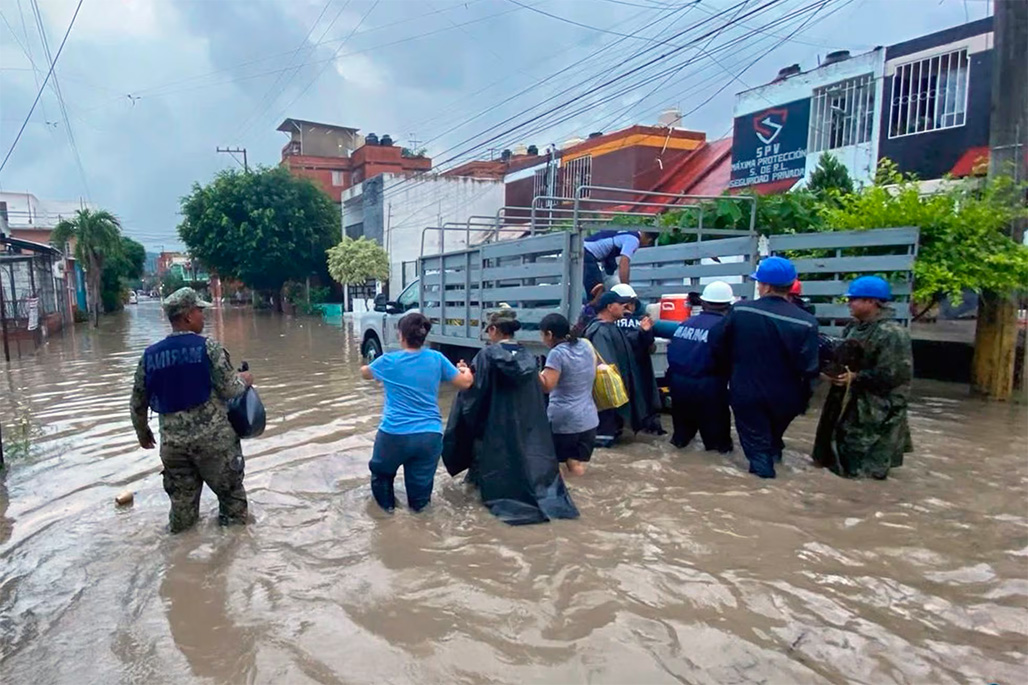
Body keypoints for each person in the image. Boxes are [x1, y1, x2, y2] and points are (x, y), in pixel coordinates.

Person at [129, 287, 254, 533]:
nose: (202, 316)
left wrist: (142, 433)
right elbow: (230, 390)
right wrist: (246, 379)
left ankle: (182, 554)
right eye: (199, 311)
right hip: (214, 444)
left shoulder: (150, 356)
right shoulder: (208, 348)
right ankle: (233, 552)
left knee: (182, 515)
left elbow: (137, 402)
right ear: (187, 316)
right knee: (233, 506)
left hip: (174, 448)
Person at [442, 309, 579, 525]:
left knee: (479, 478)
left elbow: (474, 395)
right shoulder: (528, 356)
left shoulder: (486, 356)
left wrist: (464, 373)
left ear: (493, 329)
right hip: (522, 427)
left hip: (493, 428)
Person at [714, 257, 819, 478]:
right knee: (773, 439)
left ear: (767, 286)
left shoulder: (741, 311)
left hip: (748, 393)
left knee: (758, 451)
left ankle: (764, 487)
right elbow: (809, 367)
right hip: (788, 399)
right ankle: (777, 466)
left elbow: (717, 343)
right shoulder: (807, 321)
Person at [360, 312, 474, 513]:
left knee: (382, 476)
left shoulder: (388, 361)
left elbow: (365, 373)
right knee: (421, 500)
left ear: (401, 335)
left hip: (393, 434)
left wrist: (377, 372)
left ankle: (386, 519)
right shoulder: (437, 359)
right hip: (429, 436)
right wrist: (465, 370)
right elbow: (465, 383)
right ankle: (421, 525)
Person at [812, 276, 913, 480]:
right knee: (838, 457)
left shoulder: (892, 333)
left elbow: (894, 375)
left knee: (868, 468)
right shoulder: (854, 328)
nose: (849, 304)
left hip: (878, 411)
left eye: (853, 299)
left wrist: (855, 377)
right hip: (848, 404)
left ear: (871, 301)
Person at [667, 280, 734, 454]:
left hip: (678, 385)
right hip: (709, 387)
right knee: (718, 448)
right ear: (729, 305)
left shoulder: (686, 323)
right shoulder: (725, 327)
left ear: (703, 303)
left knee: (680, 441)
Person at [584, 292, 660, 446]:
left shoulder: (611, 327)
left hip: (616, 397)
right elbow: (604, 370)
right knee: (605, 438)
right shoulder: (599, 331)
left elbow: (629, 344)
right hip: (607, 402)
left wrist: (643, 332)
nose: (624, 307)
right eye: (620, 304)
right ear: (610, 307)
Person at [539, 313, 598, 476]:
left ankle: (564, 492)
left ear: (549, 334)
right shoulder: (585, 344)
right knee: (575, 464)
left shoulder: (557, 354)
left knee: (554, 467)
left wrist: (532, 371)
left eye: (542, 335)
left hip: (564, 422)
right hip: (589, 420)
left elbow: (547, 386)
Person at [610, 283, 664, 435]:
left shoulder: (606, 324)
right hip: (641, 371)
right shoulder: (643, 322)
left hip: (617, 372)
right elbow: (651, 347)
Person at [583, 230, 656, 299]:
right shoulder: (634, 240)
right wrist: (626, 289)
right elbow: (624, 263)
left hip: (585, 246)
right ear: (649, 241)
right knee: (596, 289)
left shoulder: (628, 231)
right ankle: (590, 306)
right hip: (588, 252)